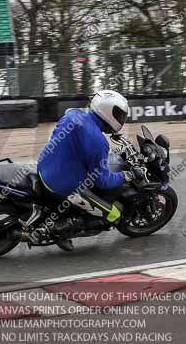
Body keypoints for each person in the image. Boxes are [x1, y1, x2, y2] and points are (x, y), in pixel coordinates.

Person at [37, 90, 140, 251]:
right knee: (113, 214)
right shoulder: (99, 142)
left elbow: (78, 145)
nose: (121, 119)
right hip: (61, 185)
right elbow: (102, 181)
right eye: (119, 115)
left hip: (45, 166)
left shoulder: (73, 114)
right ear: (108, 112)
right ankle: (63, 232)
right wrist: (127, 175)